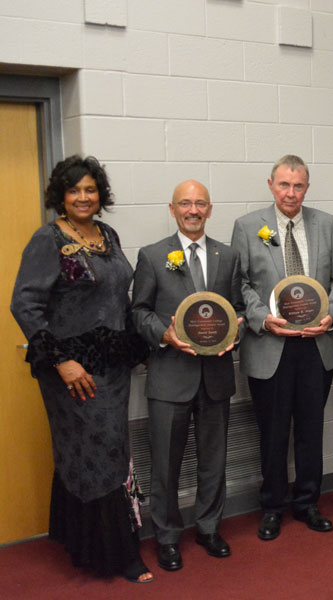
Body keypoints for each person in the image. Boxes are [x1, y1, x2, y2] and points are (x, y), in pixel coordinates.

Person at [10, 156, 152, 583]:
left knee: (112, 451)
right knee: (96, 453)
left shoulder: (106, 234)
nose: (83, 197)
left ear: (100, 194)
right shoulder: (47, 239)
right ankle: (119, 555)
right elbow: (24, 304)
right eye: (74, 190)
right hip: (71, 372)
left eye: (90, 190)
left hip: (111, 366)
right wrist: (62, 361)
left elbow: (116, 296)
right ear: (61, 196)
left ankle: (91, 546)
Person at [230, 155, 333, 540]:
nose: (291, 193)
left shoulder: (326, 224)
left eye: (298, 186)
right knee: (274, 433)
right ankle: (273, 507)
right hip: (270, 346)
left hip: (316, 346)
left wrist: (332, 314)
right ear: (270, 185)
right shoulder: (247, 227)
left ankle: (308, 503)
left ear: (307, 188)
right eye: (284, 185)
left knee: (311, 430)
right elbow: (240, 285)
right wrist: (263, 317)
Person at [132, 180, 244, 571]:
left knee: (214, 460)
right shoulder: (151, 256)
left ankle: (210, 528)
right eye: (185, 203)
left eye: (200, 203)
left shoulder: (227, 256)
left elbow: (237, 311)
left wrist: (236, 334)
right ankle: (166, 537)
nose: (193, 210)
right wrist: (165, 334)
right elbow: (139, 311)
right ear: (173, 208)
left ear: (210, 209)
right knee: (165, 463)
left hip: (215, 376)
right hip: (169, 376)